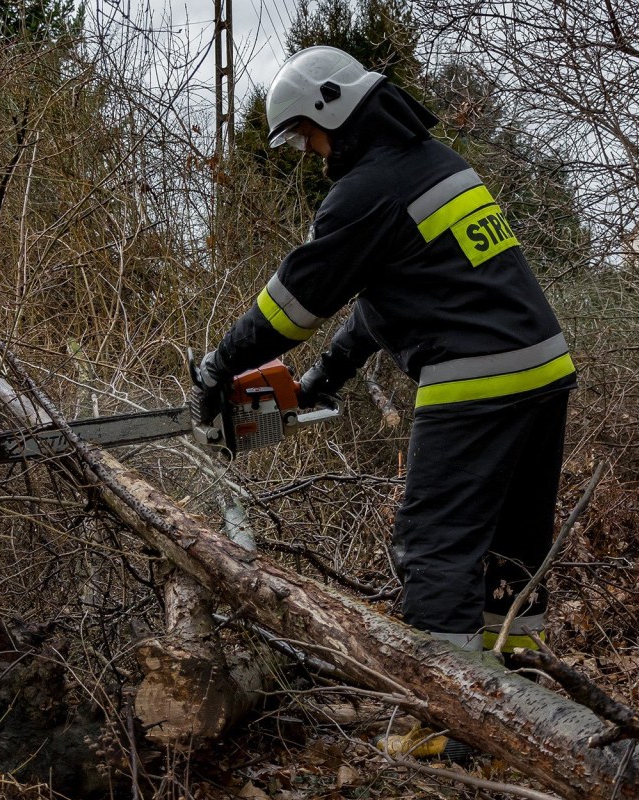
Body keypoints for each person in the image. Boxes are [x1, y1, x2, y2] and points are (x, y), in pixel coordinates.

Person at [194, 46, 576, 756]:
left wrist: (221, 364)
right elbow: (389, 301)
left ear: (335, 107)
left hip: (477, 380)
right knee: (511, 546)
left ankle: (449, 721)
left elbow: (295, 303)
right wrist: (326, 378)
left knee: (434, 546)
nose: (310, 153)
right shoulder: (433, 165)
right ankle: (521, 695)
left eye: (309, 136)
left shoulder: (367, 189)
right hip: (541, 369)